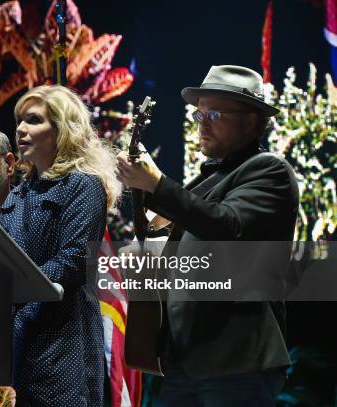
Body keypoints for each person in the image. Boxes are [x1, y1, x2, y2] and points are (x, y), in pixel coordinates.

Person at [116, 65, 299, 406]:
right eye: (199, 115)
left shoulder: (269, 170)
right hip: (184, 360)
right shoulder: (207, 180)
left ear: (251, 121)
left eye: (215, 113)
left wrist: (156, 184)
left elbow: (227, 228)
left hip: (235, 360)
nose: (202, 124)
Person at [0, 85, 122, 406]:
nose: (21, 129)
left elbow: (74, 259)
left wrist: (13, 287)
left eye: (33, 120)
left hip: (65, 341)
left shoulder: (83, 184)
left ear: (62, 129)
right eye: (19, 121)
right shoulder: (18, 194)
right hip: (20, 341)